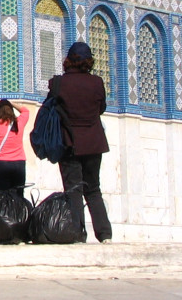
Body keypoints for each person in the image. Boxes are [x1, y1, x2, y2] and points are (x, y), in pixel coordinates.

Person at [48, 41, 112, 243]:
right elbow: (101, 108)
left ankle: (77, 233)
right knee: (93, 189)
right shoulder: (97, 83)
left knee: (73, 189)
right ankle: (104, 234)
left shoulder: (58, 83)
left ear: (68, 60)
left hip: (69, 143)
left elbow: (52, 108)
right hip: (94, 142)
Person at [0, 99, 29, 197]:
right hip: (18, 164)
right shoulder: (18, 123)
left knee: (2, 196)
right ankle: (18, 212)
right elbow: (26, 111)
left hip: (0, 164)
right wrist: (11, 103)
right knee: (18, 195)